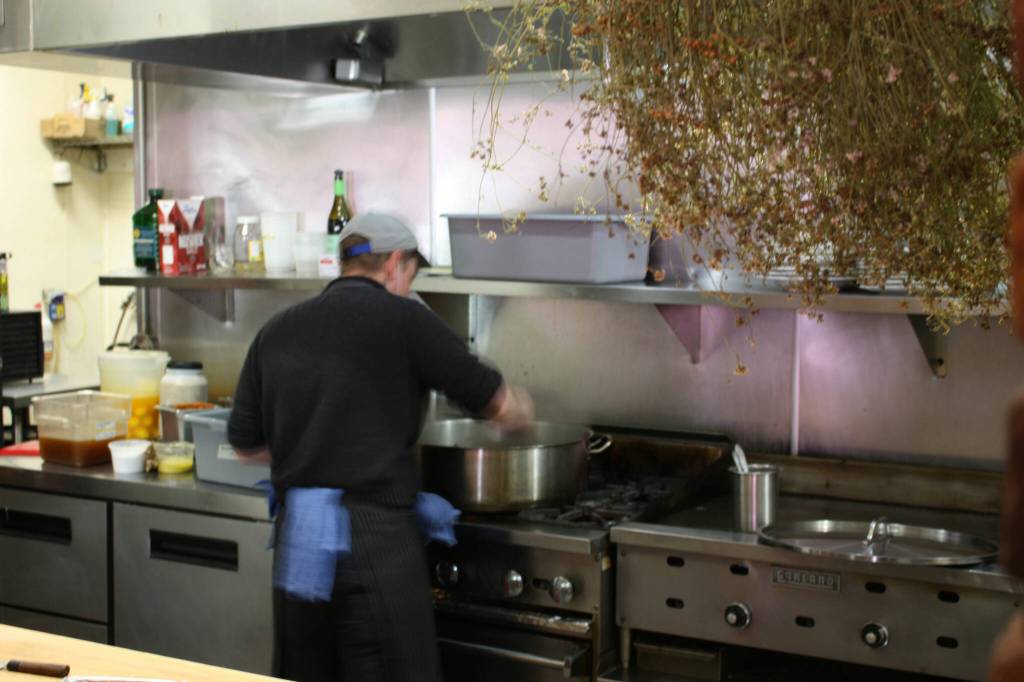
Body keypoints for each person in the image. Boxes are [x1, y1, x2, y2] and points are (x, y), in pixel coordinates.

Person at [227, 212, 533, 682]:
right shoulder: (406, 319)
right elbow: (497, 403)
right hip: (376, 540)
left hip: (300, 540)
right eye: (411, 274)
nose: (410, 286)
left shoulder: (277, 329)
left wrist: (314, 447)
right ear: (394, 264)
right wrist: (522, 412)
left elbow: (246, 445)